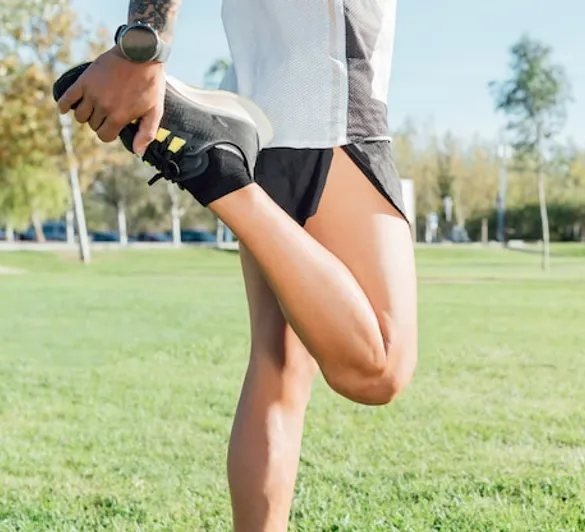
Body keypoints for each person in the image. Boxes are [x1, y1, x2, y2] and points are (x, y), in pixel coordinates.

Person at [56, 1, 417, 530]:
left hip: (263, 117)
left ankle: (226, 166)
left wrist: (143, 45)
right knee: (379, 367)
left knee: (281, 368)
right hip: (331, 97)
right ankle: (220, 172)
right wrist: (143, 47)